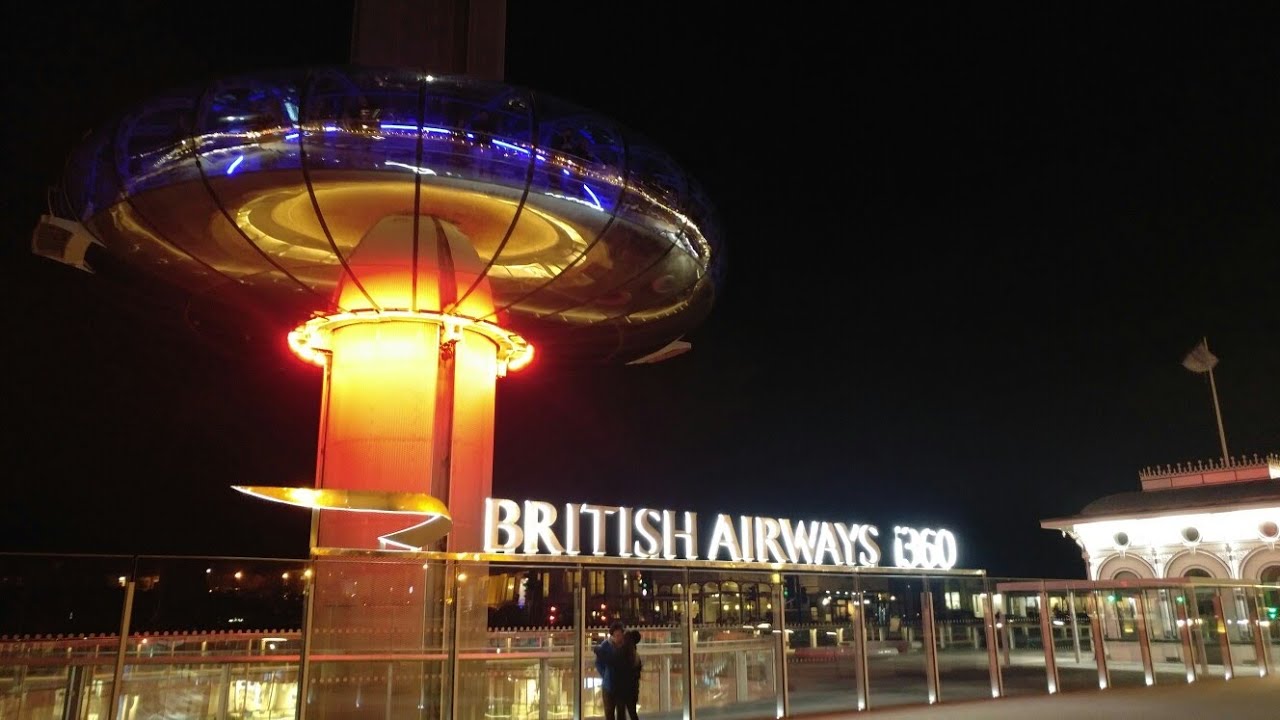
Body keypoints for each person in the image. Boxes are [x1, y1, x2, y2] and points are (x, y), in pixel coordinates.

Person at [594, 621, 627, 719]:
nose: (618, 638)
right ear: (612, 635)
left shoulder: (626, 646)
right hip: (608, 686)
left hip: (622, 686)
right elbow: (598, 662)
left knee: (621, 713)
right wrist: (605, 674)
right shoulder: (605, 645)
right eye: (616, 635)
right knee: (609, 713)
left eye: (620, 635)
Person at [618, 629, 643, 720]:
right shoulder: (635, 654)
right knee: (632, 712)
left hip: (623, 687)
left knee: (621, 712)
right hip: (632, 687)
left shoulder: (625, 649)